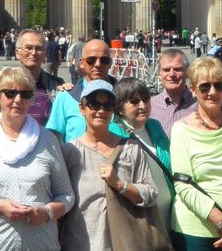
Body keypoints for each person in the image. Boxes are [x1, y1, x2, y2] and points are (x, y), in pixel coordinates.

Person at [0, 67, 75, 250]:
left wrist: (47, 212)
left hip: (43, 243)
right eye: (10, 93)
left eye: (25, 94)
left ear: (32, 98)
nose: (18, 100)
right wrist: (0, 206)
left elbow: (67, 195)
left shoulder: (47, 139)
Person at [60, 80, 159, 250]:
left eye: (107, 105)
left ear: (113, 110)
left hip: (124, 243)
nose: (101, 110)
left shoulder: (131, 147)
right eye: (94, 104)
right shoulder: (69, 152)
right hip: (80, 243)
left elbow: (150, 193)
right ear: (82, 109)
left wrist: (121, 185)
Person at [171, 56, 222, 251]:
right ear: (192, 89)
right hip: (194, 231)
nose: (212, 92)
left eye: (218, 85)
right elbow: (183, 185)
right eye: (204, 87)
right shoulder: (181, 129)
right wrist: (221, 222)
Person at [110, 77, 174, 227]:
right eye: (134, 101)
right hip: (140, 217)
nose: (142, 105)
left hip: (169, 214)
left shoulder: (154, 126)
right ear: (119, 108)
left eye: (146, 99)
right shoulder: (113, 134)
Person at [46, 39, 114, 143]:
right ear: (81, 63)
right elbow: (53, 138)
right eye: (91, 60)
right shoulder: (66, 96)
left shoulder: (123, 95)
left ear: (110, 63)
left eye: (104, 60)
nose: (98, 64)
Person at [15, 29, 66, 125]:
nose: (33, 53)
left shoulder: (57, 85)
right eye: (28, 48)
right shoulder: (2, 84)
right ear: (17, 53)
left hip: (46, 138)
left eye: (38, 49)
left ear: (45, 55)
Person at [150, 48, 197, 138]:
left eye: (177, 69)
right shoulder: (150, 107)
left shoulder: (200, 104)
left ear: (187, 72)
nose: (172, 74)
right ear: (159, 73)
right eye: (166, 70)